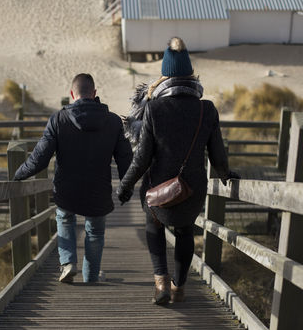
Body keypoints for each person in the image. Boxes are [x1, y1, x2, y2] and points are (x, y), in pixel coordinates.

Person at [116, 37, 239, 305]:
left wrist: (125, 186)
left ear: (165, 75)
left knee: (153, 224)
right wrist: (227, 174)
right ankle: (178, 287)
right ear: (190, 73)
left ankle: (160, 282)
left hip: (159, 191)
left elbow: (142, 158)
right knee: (185, 232)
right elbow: (218, 155)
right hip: (192, 191)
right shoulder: (207, 109)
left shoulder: (155, 108)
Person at [13, 73, 133, 283]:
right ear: (94, 93)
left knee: (64, 218)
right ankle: (91, 276)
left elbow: (39, 158)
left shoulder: (58, 119)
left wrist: (18, 175)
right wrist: (126, 189)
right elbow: (125, 160)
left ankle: (68, 263)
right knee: (95, 232)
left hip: (66, 189)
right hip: (98, 190)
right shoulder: (113, 121)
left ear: (71, 94)